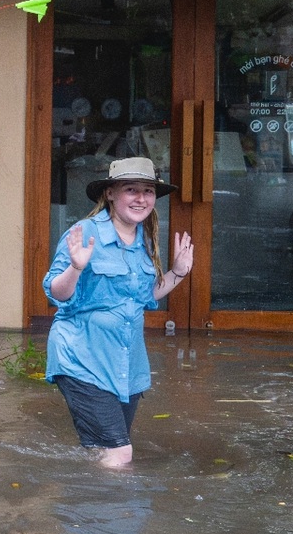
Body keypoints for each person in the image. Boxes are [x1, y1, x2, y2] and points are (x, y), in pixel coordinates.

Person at [43, 156, 195, 469]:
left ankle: (81, 494)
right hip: (82, 359)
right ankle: (114, 502)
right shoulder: (85, 232)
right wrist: (76, 267)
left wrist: (177, 273)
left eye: (148, 191)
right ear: (110, 193)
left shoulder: (144, 239)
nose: (141, 198)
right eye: (131, 189)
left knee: (105, 451)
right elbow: (57, 293)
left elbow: (142, 296)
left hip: (125, 364)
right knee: (120, 453)